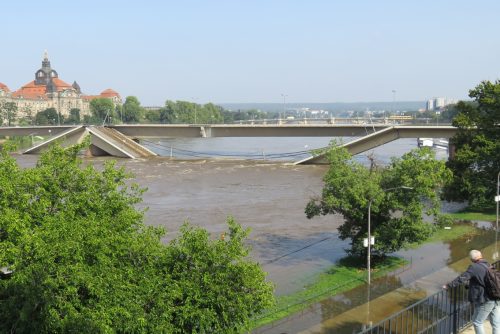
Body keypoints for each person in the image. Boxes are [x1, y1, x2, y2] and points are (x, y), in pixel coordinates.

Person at [445, 250, 500, 334]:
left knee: (477, 322)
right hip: (496, 297)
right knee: (496, 323)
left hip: (486, 299)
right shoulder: (488, 264)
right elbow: (482, 280)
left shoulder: (474, 267)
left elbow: (462, 278)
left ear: (472, 259)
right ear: (481, 256)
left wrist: (448, 285)